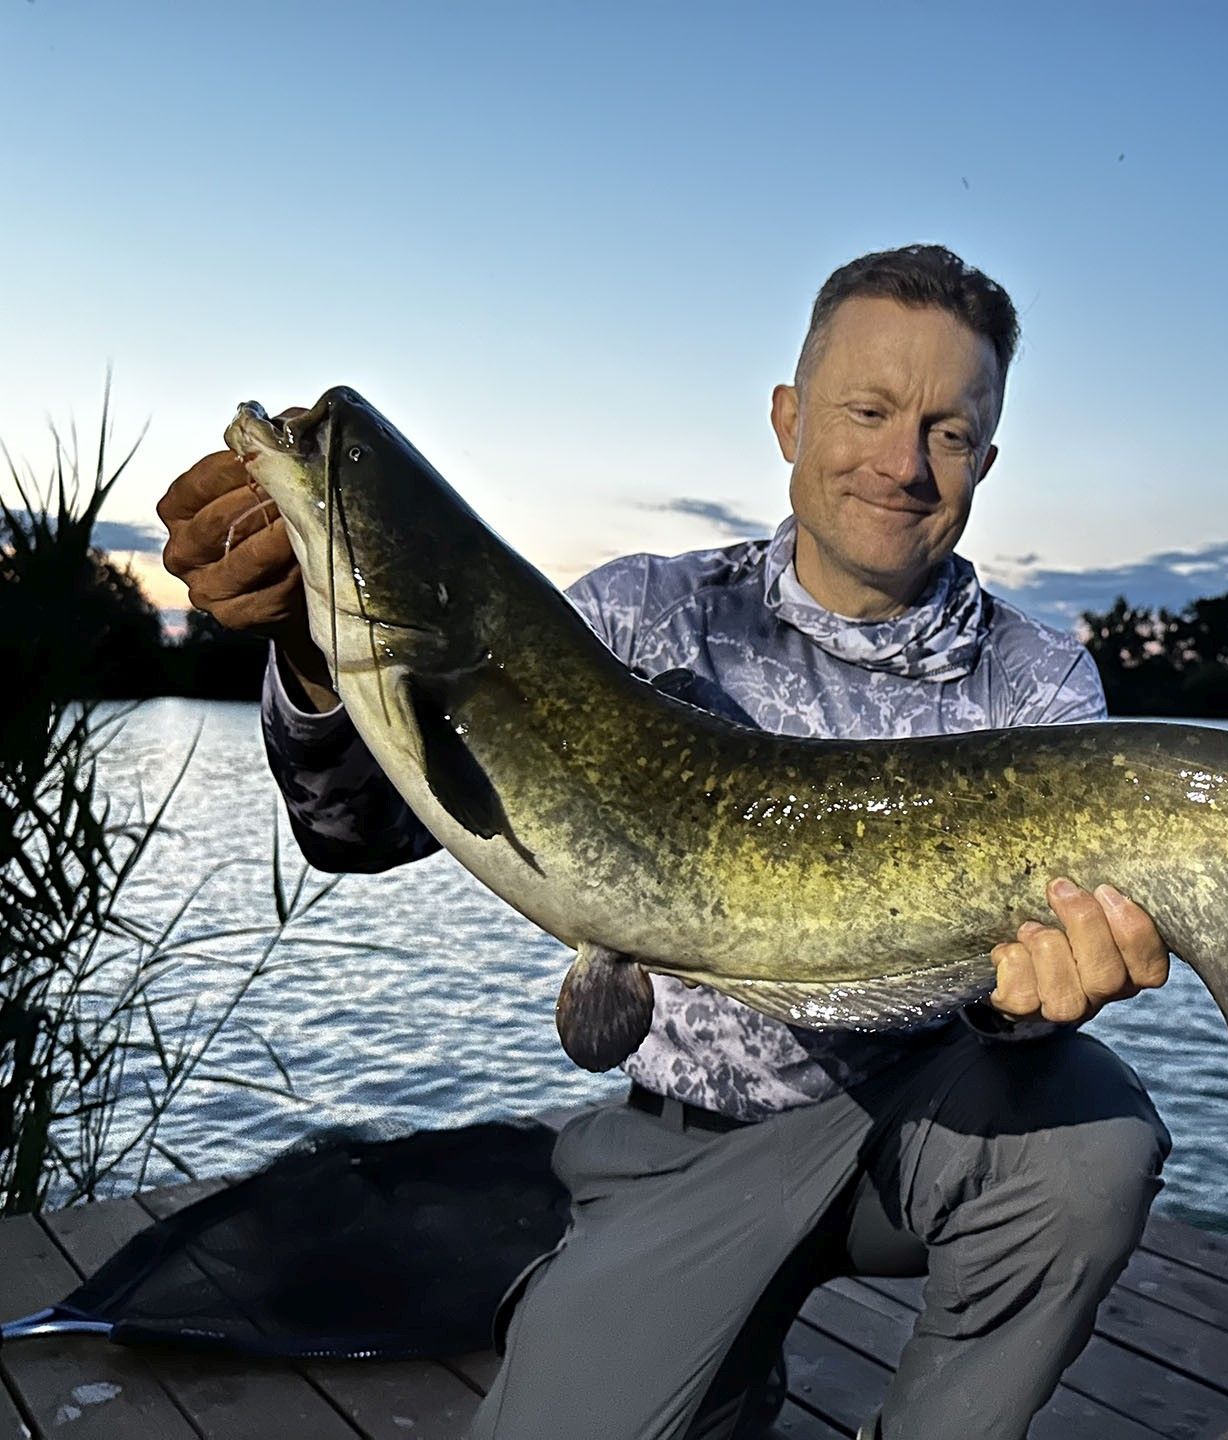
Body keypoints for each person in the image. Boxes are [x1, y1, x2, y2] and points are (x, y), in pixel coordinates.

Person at [157, 244, 1174, 1440]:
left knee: (1093, 1139)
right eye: (870, 410)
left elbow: (1011, 999)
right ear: (789, 419)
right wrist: (314, 650)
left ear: (986, 462)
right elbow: (352, 831)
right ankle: (702, 1352)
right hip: (682, 1151)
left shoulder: (1039, 683)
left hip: (923, 1129)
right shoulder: (641, 615)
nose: (904, 463)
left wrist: (1038, 999)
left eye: (950, 433)